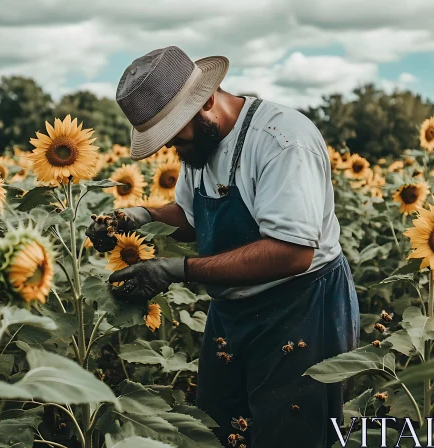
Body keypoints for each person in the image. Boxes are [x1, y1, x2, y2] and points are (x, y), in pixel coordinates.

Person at [86, 45, 360, 447]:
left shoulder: (283, 141)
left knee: (289, 435)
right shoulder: (200, 143)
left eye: (175, 135)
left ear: (208, 100)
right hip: (233, 311)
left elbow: (292, 252)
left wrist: (175, 270)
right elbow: (192, 215)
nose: (172, 148)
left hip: (302, 308)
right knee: (219, 429)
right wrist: (138, 218)